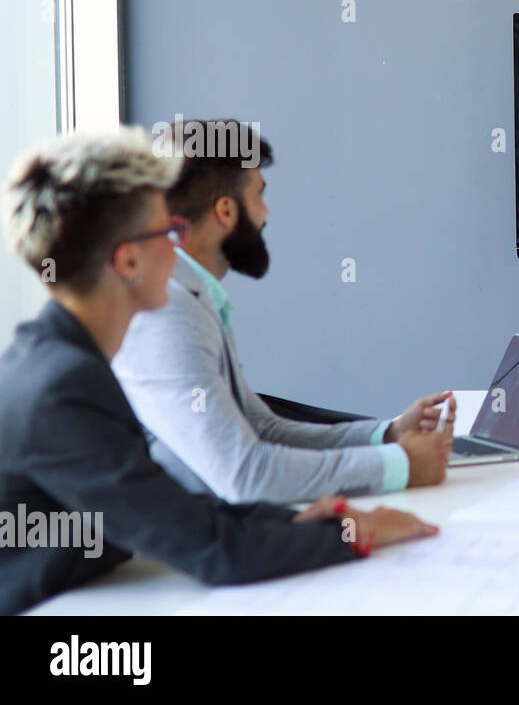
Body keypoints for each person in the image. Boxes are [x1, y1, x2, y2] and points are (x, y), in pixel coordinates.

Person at [0, 129, 447, 615]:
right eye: (166, 234)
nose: (180, 251)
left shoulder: (56, 362)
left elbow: (175, 510)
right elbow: (214, 549)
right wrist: (356, 529)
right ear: (127, 260)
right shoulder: (64, 388)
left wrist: (297, 520)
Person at [112, 120, 452, 504]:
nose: (266, 213)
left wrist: (389, 434)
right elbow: (245, 474)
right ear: (226, 210)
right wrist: (399, 466)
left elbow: (261, 428)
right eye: (259, 194)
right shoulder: (168, 313)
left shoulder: (191, 295)